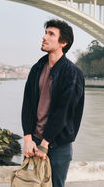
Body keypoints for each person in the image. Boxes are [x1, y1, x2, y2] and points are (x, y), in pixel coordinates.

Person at [21, 19, 85, 187]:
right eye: (45, 32)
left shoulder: (72, 73)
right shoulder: (37, 68)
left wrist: (46, 142)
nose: (44, 37)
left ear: (63, 42)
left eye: (51, 34)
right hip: (34, 142)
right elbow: (27, 104)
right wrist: (28, 137)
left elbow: (63, 112)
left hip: (57, 145)